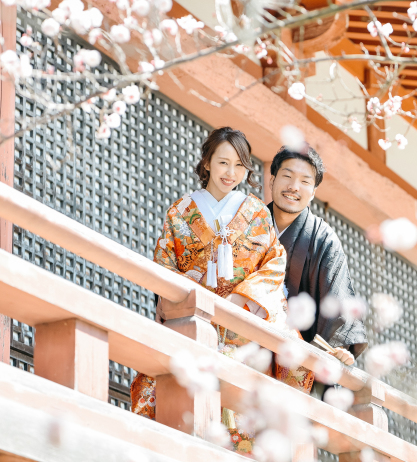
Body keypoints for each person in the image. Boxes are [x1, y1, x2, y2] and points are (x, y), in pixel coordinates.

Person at [130, 127, 313, 454]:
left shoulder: (257, 213)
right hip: (192, 320)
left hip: (242, 324)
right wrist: (190, 299)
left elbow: (273, 263)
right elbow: (164, 265)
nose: (231, 173)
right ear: (207, 162)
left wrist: (242, 298)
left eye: (239, 166)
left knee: (244, 412)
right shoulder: (180, 212)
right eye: (223, 163)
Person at [268, 145, 368, 373]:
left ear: (313, 192)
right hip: (249, 344)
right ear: (272, 181)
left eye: (305, 181)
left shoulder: (323, 239)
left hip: (293, 362)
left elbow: (338, 298)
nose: (294, 187)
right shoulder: (251, 225)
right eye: (287, 176)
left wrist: (339, 348)